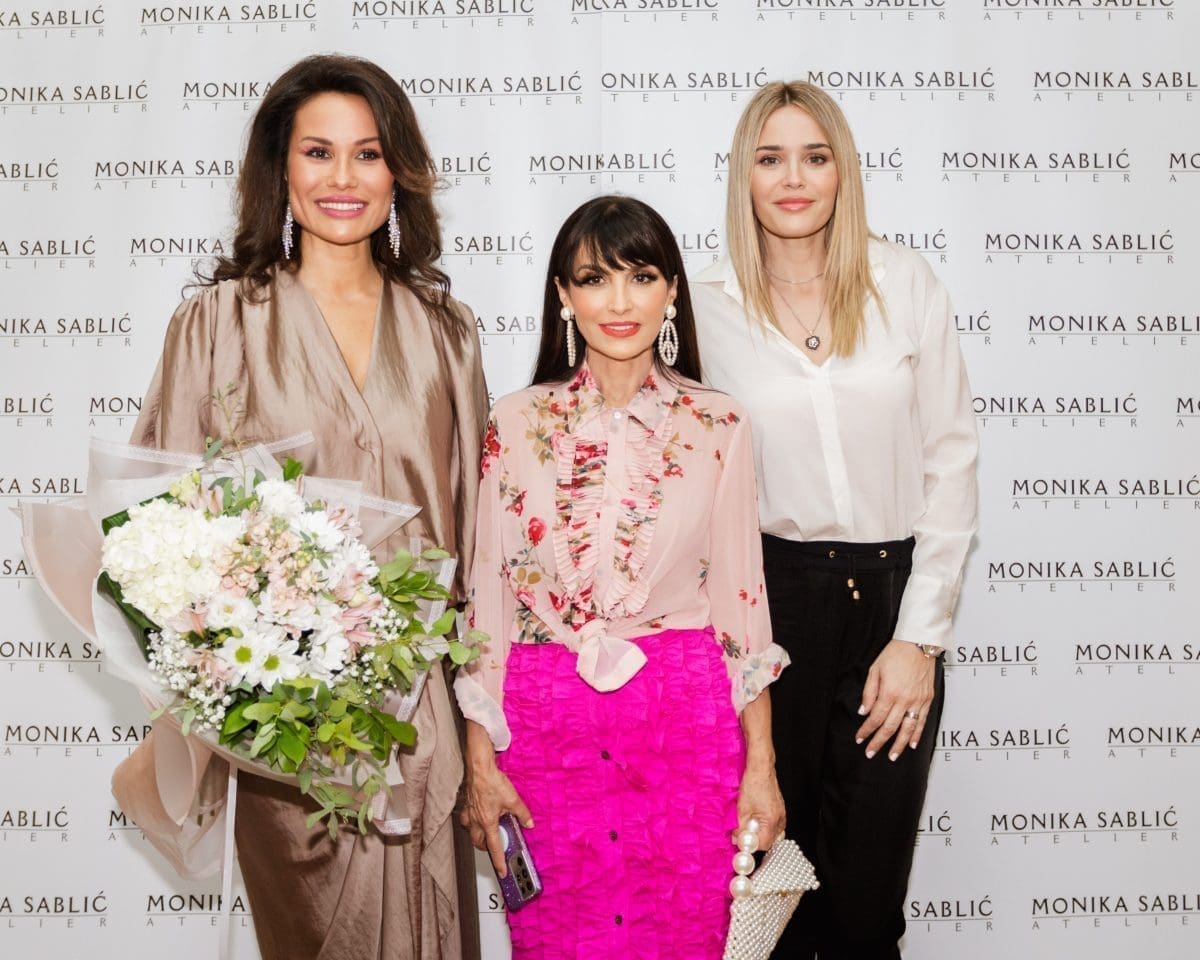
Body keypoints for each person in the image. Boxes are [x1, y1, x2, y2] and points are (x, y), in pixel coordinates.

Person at [112, 54, 489, 960]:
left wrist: (478, 720)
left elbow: (478, 538)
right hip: (288, 734)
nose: (342, 178)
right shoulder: (218, 323)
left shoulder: (446, 331)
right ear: (280, 169)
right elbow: (162, 531)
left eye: (368, 153)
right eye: (318, 152)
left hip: (421, 717)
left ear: (398, 172)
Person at [454, 195, 790, 960]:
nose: (618, 301)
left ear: (671, 292)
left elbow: (743, 610)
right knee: (557, 942)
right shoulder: (515, 421)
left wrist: (762, 768)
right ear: (563, 296)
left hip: (685, 726)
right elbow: (487, 606)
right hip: (544, 731)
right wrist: (479, 762)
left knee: (686, 937)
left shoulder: (719, 424)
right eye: (593, 279)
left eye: (640, 277)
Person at [691, 82, 979, 959]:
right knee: (768, 908)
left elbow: (951, 460)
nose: (793, 178)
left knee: (865, 912)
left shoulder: (904, 283)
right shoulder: (702, 305)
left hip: (891, 610)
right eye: (770, 158)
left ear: (843, 171)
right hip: (767, 611)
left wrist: (919, 639)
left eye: (815, 157)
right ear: (743, 176)